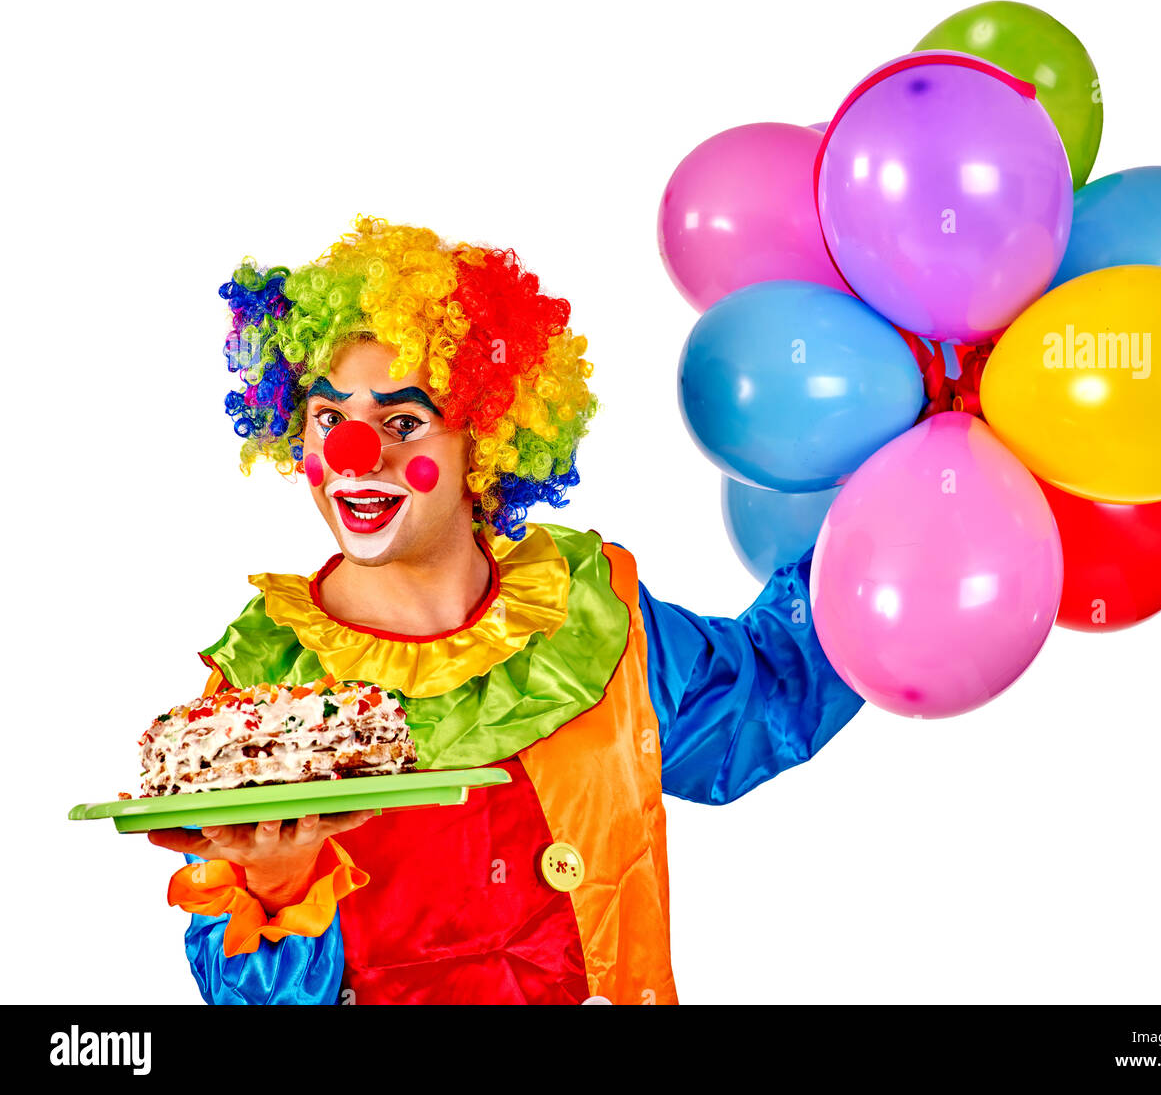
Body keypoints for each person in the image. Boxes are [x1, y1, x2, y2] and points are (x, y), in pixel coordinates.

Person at [148, 216, 864, 1004]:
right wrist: (280, 887)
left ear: (484, 444)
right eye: (329, 419)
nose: (357, 456)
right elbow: (244, 993)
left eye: (402, 423)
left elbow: (755, 708)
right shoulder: (258, 701)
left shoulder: (590, 616)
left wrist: (880, 524)